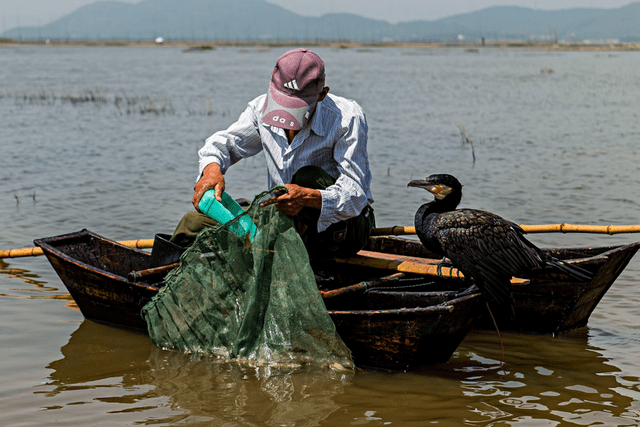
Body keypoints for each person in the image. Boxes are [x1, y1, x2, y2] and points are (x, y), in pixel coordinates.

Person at [169, 48, 375, 259]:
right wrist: (211, 171)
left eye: (296, 109)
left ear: (322, 95)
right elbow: (221, 144)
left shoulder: (346, 118)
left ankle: (289, 252)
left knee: (307, 177)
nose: (286, 116)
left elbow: (355, 195)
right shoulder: (260, 109)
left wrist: (307, 198)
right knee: (192, 224)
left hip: (342, 228)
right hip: (283, 217)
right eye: (281, 104)